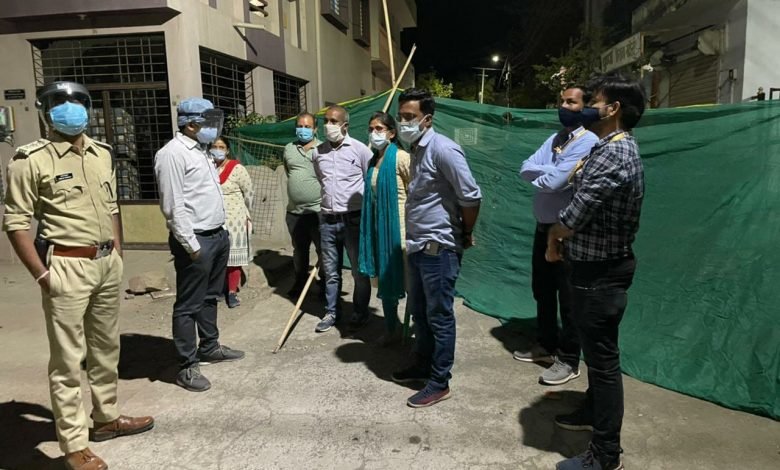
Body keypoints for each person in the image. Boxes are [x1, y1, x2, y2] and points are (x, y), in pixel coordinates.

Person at [3, 81, 153, 470]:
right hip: (66, 267)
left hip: (105, 264)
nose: (70, 109)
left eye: (78, 102)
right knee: (67, 361)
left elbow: (112, 205)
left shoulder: (102, 153)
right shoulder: (29, 160)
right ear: (45, 112)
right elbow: (16, 223)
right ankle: (73, 446)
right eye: (59, 103)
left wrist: (117, 251)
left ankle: (106, 418)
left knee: (106, 349)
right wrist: (42, 275)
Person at [546, 75, 646, 470]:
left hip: (600, 272)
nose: (588, 107)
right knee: (597, 355)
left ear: (613, 109)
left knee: (603, 364)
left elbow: (575, 214)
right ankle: (592, 412)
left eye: (595, 101)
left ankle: (605, 455)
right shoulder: (608, 147)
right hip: (596, 267)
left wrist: (554, 236)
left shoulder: (613, 153)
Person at [390, 89, 482, 408]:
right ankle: (422, 364)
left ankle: (439, 381)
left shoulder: (444, 149)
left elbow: (471, 196)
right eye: (401, 116)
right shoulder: (416, 149)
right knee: (420, 312)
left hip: (438, 247)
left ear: (427, 119)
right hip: (418, 244)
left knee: (440, 316)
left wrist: (465, 232)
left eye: (410, 117)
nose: (403, 122)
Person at [154, 97, 245, 393]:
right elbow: (172, 205)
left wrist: (222, 233)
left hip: (216, 236)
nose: (214, 128)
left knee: (210, 297)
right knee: (188, 305)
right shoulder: (172, 154)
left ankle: (210, 346)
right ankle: (187, 365)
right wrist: (191, 245)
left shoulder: (202, 151)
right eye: (208, 121)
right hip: (196, 240)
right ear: (192, 124)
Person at [516, 86, 599, 386]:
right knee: (543, 290)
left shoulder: (588, 141)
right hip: (543, 228)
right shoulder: (556, 138)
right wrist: (552, 171)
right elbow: (525, 168)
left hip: (566, 233)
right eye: (562, 101)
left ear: (586, 107)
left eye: (571, 102)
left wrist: (550, 174)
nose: (563, 106)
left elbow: (554, 183)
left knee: (569, 298)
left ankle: (569, 359)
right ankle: (546, 344)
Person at [312, 105, 373, 333]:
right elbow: (322, 180)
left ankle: (360, 312)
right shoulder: (318, 153)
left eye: (333, 121)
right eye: (326, 121)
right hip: (327, 220)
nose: (328, 125)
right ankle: (332, 312)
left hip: (353, 220)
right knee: (330, 271)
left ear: (345, 126)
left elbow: (369, 180)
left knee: (358, 271)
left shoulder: (360, 150)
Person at [358, 111, 411, 345]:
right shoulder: (373, 160)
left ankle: (418, 332)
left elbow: (416, 191)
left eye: (379, 128)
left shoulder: (401, 158)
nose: (374, 133)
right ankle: (391, 329)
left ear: (391, 133)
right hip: (380, 230)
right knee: (385, 280)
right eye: (371, 129)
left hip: (401, 232)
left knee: (410, 282)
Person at [283, 112, 325, 299]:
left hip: (318, 211)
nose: (303, 130)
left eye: (307, 127)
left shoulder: (323, 149)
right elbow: (289, 171)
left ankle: (325, 284)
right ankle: (300, 283)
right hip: (294, 212)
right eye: (300, 126)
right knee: (299, 251)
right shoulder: (289, 148)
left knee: (324, 251)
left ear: (315, 129)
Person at [209, 136, 254, 308]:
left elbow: (249, 192)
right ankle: (219, 288)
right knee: (218, 256)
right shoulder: (208, 168)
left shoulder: (237, 169)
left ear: (227, 150)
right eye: (215, 146)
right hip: (214, 218)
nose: (218, 150)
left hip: (235, 218)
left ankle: (232, 292)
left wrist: (246, 212)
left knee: (234, 256)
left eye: (221, 147)